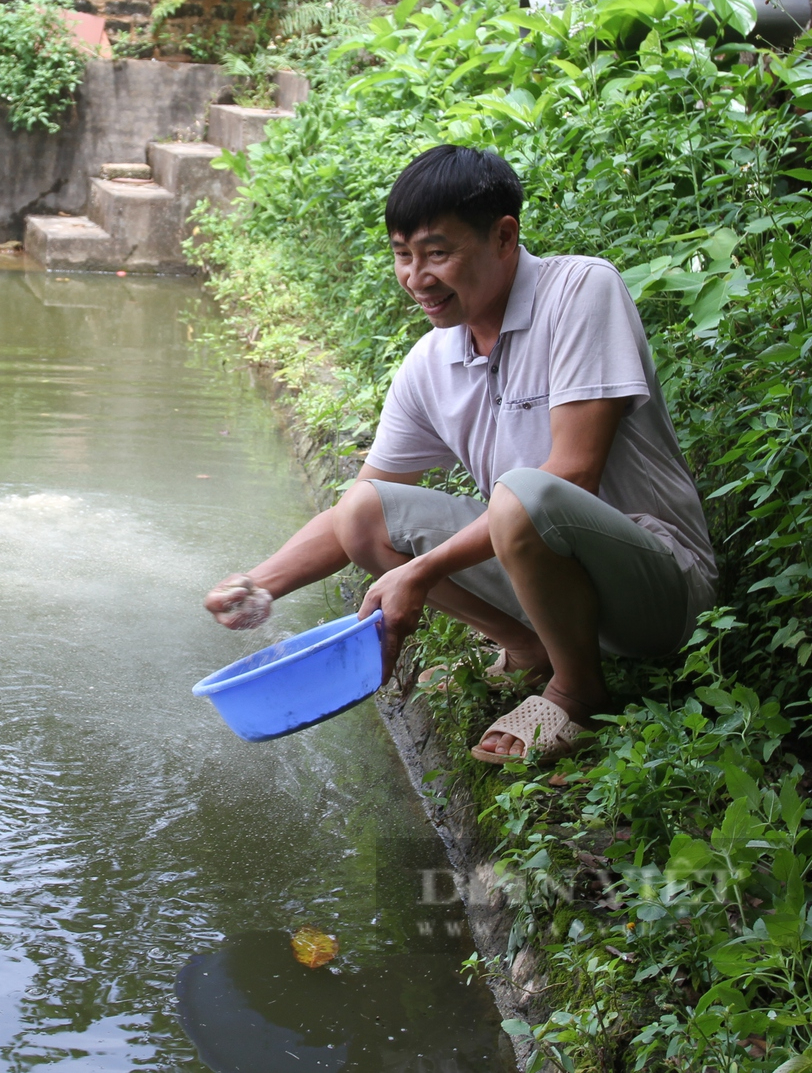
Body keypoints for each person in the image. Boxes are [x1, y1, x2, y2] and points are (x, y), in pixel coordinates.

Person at [203, 145, 715, 764]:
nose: (417, 278)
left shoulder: (580, 290)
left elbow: (574, 473)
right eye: (403, 255)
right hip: (547, 579)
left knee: (524, 495)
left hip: (656, 592)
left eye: (437, 253)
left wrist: (421, 571)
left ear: (504, 237)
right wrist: (259, 584)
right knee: (365, 509)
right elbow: (353, 518)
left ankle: (577, 693)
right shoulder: (432, 362)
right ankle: (529, 648)